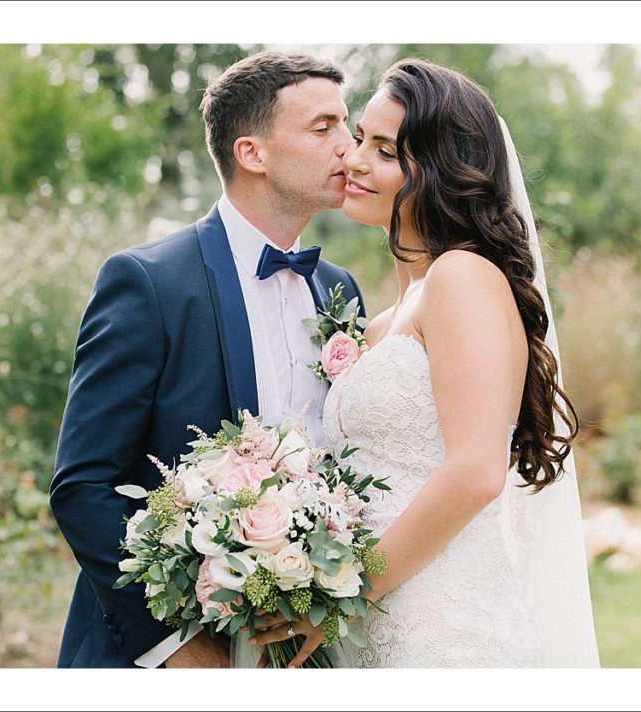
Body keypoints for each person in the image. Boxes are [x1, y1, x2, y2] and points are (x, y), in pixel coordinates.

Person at [248, 59, 599, 667]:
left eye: (385, 151)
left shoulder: (463, 277)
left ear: (439, 174)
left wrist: (344, 599)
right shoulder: (380, 322)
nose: (354, 160)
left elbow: (475, 472)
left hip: (447, 635)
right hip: (374, 635)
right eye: (361, 138)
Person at [48, 51, 366, 668]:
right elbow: (83, 485)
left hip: (307, 640)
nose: (349, 149)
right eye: (324, 128)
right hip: (173, 653)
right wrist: (178, 646)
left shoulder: (340, 290)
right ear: (252, 154)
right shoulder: (148, 282)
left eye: (346, 126)